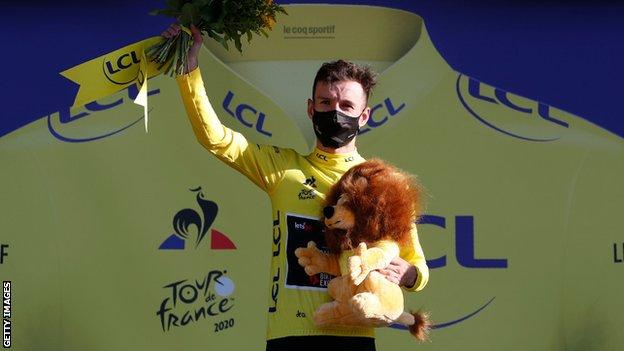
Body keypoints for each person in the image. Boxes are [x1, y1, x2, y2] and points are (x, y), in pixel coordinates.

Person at [164, 23, 429, 351]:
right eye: (325, 103)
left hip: (354, 334)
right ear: (310, 108)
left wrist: (409, 275)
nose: (335, 112)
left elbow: (416, 265)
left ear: (364, 116)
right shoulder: (282, 168)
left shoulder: (383, 184)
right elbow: (215, 139)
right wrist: (187, 70)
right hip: (288, 335)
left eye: (346, 106)